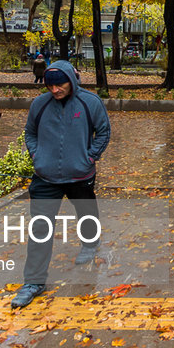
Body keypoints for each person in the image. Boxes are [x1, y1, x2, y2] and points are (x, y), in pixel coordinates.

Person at [13, 60, 111, 308]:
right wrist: (36, 156)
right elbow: (30, 132)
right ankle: (34, 282)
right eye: (50, 86)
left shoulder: (90, 103)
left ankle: (90, 242)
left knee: (86, 212)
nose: (55, 90)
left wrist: (89, 158)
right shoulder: (40, 104)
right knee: (40, 230)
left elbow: (104, 131)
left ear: (72, 80)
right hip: (46, 178)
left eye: (60, 85)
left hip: (80, 174)